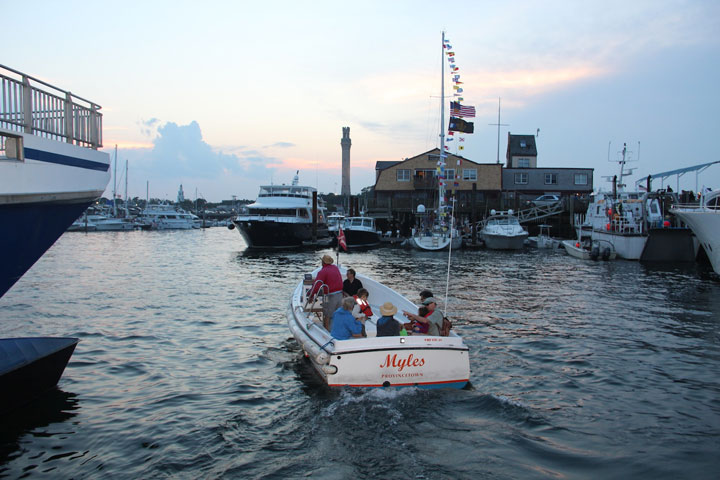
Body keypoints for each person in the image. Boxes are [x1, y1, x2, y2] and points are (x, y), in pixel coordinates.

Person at [310, 254, 343, 330]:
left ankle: (327, 331)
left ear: (323, 262)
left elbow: (317, 285)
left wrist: (311, 295)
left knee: (327, 314)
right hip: (340, 294)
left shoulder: (322, 272)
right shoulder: (335, 268)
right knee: (338, 314)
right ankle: (338, 330)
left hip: (330, 296)